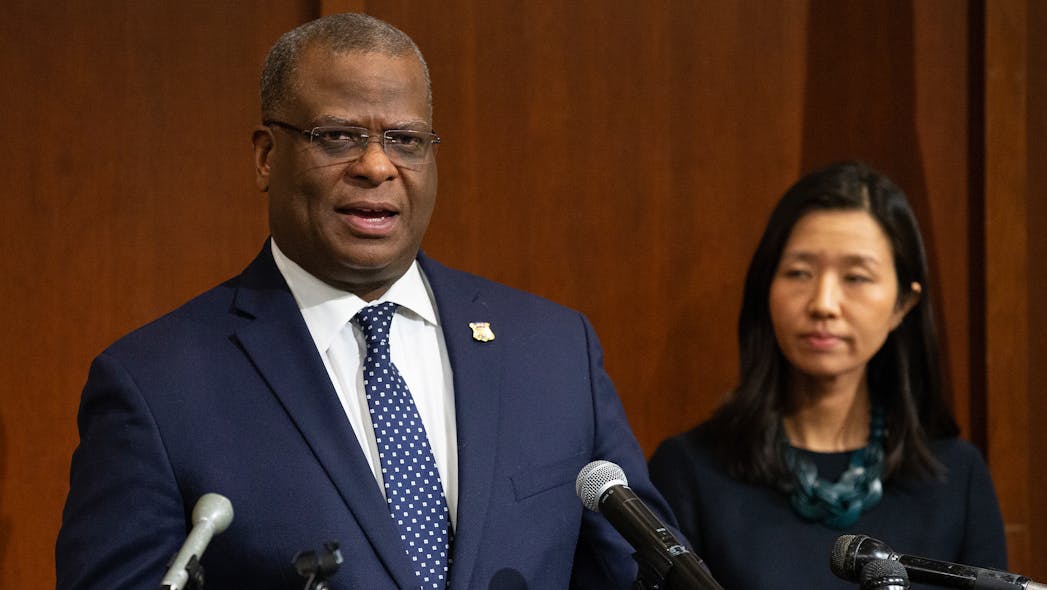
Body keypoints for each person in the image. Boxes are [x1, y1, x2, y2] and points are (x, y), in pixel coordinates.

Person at [55, 13, 678, 589]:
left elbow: (640, 571)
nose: (376, 166)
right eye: (338, 136)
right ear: (267, 156)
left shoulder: (553, 350)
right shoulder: (156, 386)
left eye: (405, 140)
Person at [649, 162, 1008, 589]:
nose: (823, 303)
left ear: (902, 305)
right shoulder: (690, 471)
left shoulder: (957, 477)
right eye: (799, 272)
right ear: (767, 288)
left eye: (856, 277)